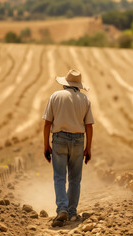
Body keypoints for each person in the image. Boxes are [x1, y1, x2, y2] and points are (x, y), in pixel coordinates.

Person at [42, 69, 94, 227]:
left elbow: (47, 123)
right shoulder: (85, 99)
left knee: (59, 177)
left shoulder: (55, 96)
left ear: (65, 84)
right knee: (75, 179)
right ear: (78, 86)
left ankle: (62, 209)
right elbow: (89, 126)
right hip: (78, 140)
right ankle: (72, 213)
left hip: (59, 139)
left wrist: (46, 145)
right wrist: (88, 148)